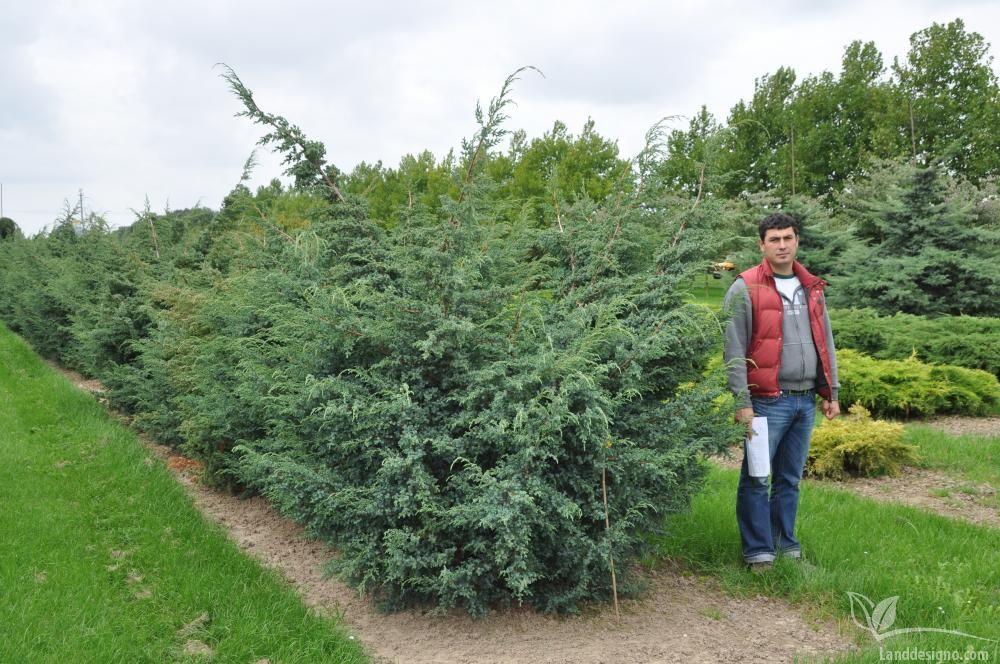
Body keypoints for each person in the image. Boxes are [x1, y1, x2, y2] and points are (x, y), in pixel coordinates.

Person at [723, 212, 840, 572]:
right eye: (774, 239)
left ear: (797, 241)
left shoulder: (811, 287)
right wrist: (742, 402)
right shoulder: (745, 287)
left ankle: (785, 545)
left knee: (789, 480)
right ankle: (759, 553)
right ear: (762, 245)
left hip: (804, 402)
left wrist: (830, 391)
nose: (782, 245)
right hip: (765, 403)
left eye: (788, 238)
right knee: (758, 478)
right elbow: (733, 349)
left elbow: (826, 341)